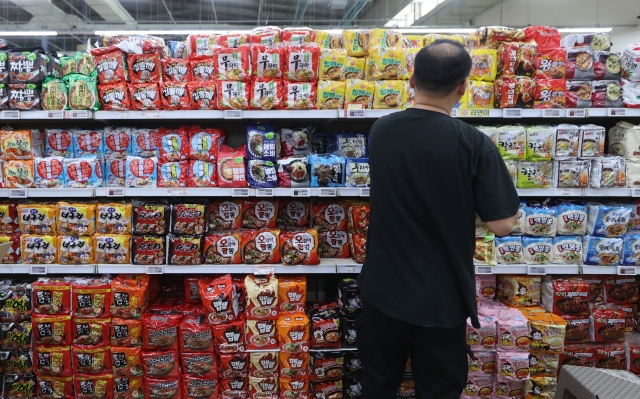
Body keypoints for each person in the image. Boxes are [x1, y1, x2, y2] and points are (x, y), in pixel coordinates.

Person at [356, 39, 520, 399]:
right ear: (464, 87)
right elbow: (502, 224)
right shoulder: (474, 144)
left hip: (384, 288)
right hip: (441, 297)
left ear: (411, 81)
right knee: (439, 390)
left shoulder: (381, 131)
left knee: (378, 384)